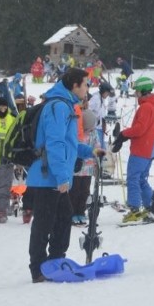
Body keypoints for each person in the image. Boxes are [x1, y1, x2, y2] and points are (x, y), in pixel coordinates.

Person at [27, 68, 103, 283]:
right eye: (86, 84)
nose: (88, 89)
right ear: (74, 85)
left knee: (62, 219)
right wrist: (62, 177)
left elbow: (69, 143)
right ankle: (39, 269)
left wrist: (90, 151)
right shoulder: (58, 106)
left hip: (56, 176)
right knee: (44, 223)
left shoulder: (67, 106)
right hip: (47, 176)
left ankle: (55, 261)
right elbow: (55, 144)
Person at [111, 76, 154, 223]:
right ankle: (149, 205)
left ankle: (134, 209)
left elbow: (140, 129)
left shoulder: (146, 107)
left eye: (137, 91)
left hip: (140, 150)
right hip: (149, 150)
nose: (135, 93)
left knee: (133, 179)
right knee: (141, 180)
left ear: (143, 90)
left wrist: (123, 134)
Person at [70, 108, 99, 226]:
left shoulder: (94, 133)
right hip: (77, 169)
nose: (93, 127)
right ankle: (72, 212)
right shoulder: (78, 134)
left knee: (85, 191)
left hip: (88, 169)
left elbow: (97, 145)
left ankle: (81, 212)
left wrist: (99, 157)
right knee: (74, 191)